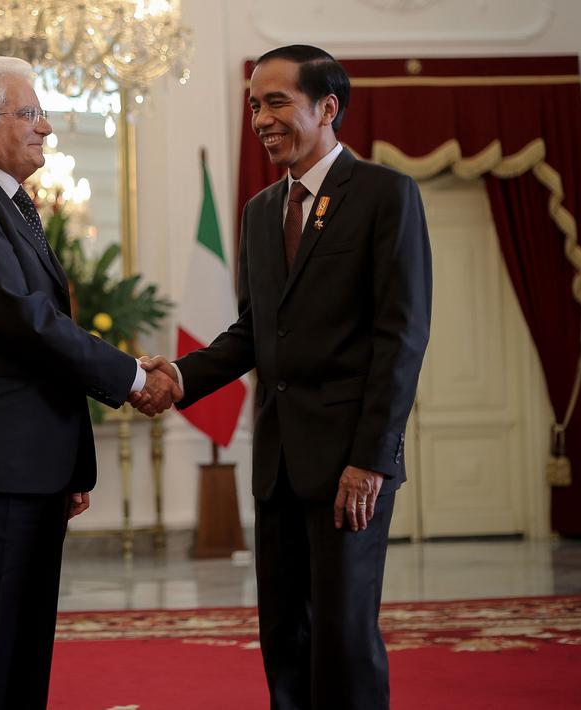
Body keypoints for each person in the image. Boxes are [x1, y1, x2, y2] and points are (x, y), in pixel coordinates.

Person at [133, 45, 432, 709]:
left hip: (350, 465)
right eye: (253, 107)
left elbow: (401, 339)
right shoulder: (261, 209)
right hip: (277, 466)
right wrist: (179, 376)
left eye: (275, 103)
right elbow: (254, 331)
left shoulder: (385, 195)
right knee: (284, 636)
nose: (261, 120)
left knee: (343, 635)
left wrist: (371, 460)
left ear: (327, 108)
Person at [0, 55, 180, 710]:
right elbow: (19, 318)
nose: (47, 127)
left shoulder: (11, 203)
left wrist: (64, 461)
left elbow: (38, 331)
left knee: (21, 651)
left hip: (23, 466)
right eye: (29, 113)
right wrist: (129, 375)